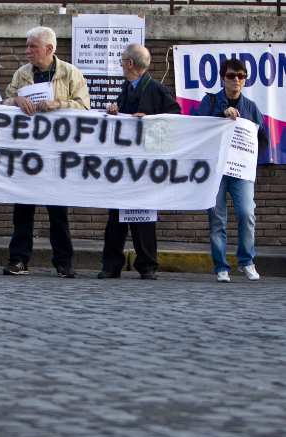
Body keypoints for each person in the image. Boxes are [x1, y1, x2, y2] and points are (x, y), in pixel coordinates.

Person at [2, 26, 90, 278]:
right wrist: (16, 101)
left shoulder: (70, 73)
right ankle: (19, 260)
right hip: (27, 152)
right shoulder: (22, 73)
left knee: (58, 212)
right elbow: (3, 102)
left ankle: (64, 262)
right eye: (27, 46)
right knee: (22, 211)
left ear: (49, 49)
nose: (27, 51)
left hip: (57, 154)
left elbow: (84, 106)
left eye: (32, 46)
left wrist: (58, 104)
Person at [98, 44, 181, 281]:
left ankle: (147, 265)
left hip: (145, 164)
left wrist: (151, 119)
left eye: (122, 60)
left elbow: (176, 116)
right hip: (125, 164)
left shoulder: (156, 89)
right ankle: (111, 265)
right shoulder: (127, 88)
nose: (121, 64)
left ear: (130, 64)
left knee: (143, 217)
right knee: (116, 216)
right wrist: (115, 110)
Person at [193, 58, 268, 283]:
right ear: (222, 78)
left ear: (245, 80)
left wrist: (251, 159)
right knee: (217, 218)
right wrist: (220, 117)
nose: (236, 80)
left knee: (247, 214)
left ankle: (246, 261)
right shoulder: (210, 101)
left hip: (240, 171)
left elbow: (262, 139)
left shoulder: (251, 107)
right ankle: (221, 266)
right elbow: (198, 128)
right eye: (231, 76)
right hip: (216, 169)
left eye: (241, 76)